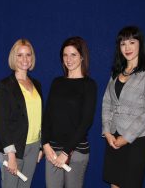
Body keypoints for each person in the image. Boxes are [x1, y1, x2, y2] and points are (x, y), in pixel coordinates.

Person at [102, 26, 145, 188]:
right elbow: (107, 102)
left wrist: (125, 138)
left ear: (140, 44)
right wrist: (107, 131)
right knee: (115, 184)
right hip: (113, 138)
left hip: (136, 140)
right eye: (123, 44)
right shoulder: (116, 73)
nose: (127, 48)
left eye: (131, 42)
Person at [42, 36, 97, 188]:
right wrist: (45, 145)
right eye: (65, 55)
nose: (69, 59)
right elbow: (47, 116)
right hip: (52, 151)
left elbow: (86, 121)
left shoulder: (89, 85)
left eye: (73, 54)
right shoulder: (57, 82)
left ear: (82, 57)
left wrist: (66, 152)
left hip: (76, 151)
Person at [0, 39, 42, 188]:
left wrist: (41, 147)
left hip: (33, 147)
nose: (24, 59)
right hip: (13, 148)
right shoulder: (5, 85)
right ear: (13, 58)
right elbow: (2, 122)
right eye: (20, 55)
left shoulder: (37, 84)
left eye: (28, 55)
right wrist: (11, 155)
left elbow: (40, 117)